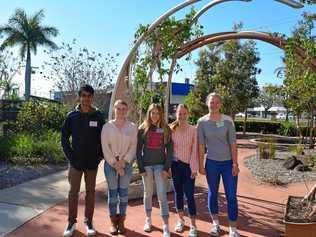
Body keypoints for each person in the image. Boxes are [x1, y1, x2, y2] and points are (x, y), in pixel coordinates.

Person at [61, 84, 105, 237]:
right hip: (75, 163)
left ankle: (89, 221)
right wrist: (71, 157)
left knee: (90, 193)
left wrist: (99, 156)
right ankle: (71, 222)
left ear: (92, 97)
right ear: (79, 97)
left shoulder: (99, 116)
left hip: (92, 164)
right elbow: (64, 139)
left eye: (89, 96)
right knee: (73, 193)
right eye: (84, 95)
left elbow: (103, 139)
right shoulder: (71, 116)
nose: (86, 99)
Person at [197, 93, 240, 237]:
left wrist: (235, 163)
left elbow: (233, 144)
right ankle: (215, 224)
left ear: (220, 104)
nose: (214, 105)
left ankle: (232, 229)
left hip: (228, 164)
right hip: (212, 164)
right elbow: (201, 145)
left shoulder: (228, 121)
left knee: (231, 195)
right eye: (211, 102)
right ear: (207, 103)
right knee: (212, 193)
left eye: (216, 102)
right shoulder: (201, 122)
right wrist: (201, 165)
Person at [101, 100, 137, 235]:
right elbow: (105, 147)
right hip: (110, 165)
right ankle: (112, 221)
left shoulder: (132, 127)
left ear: (126, 110)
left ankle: (121, 221)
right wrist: (115, 164)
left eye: (123, 109)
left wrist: (123, 162)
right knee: (113, 194)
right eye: (118, 108)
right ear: (114, 110)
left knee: (123, 194)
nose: (121, 111)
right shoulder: (107, 127)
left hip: (126, 165)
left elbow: (133, 147)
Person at [136, 103, 173, 237]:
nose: (154, 115)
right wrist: (141, 168)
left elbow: (170, 151)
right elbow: (138, 150)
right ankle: (148, 219)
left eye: (157, 113)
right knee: (148, 193)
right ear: (149, 114)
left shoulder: (166, 129)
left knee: (162, 194)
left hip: (160, 166)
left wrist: (166, 168)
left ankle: (165, 225)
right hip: (146, 166)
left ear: (160, 114)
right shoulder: (142, 129)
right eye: (152, 113)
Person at [169, 104, 199, 237]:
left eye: (184, 114)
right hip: (175, 166)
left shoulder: (194, 130)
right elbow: (168, 150)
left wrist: (194, 168)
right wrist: (168, 167)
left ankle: (193, 225)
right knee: (178, 194)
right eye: (179, 114)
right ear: (176, 115)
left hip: (188, 167)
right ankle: (181, 220)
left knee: (190, 195)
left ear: (188, 114)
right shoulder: (171, 129)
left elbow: (195, 151)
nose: (182, 116)